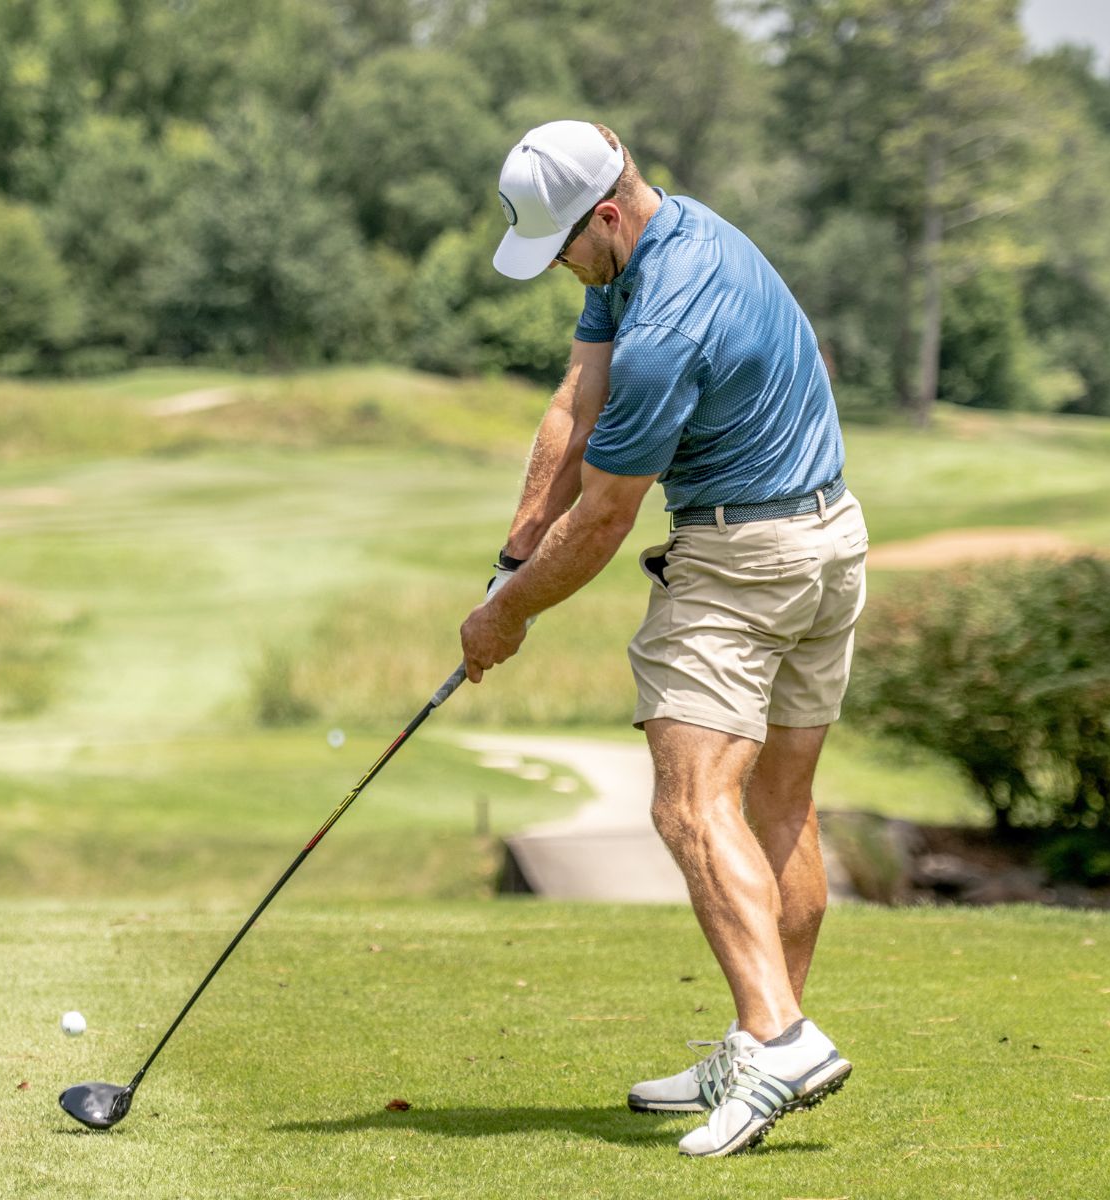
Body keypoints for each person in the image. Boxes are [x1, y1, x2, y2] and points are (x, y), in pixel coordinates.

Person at [459, 120, 868, 1158]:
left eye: (561, 247)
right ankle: (761, 1042)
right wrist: (511, 557)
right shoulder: (656, 239)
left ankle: (781, 1040)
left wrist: (506, 617)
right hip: (828, 541)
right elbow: (575, 403)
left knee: (690, 801)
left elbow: (606, 516)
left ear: (604, 213)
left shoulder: (666, 326)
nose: (559, 268)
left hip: (743, 559)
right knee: (777, 801)